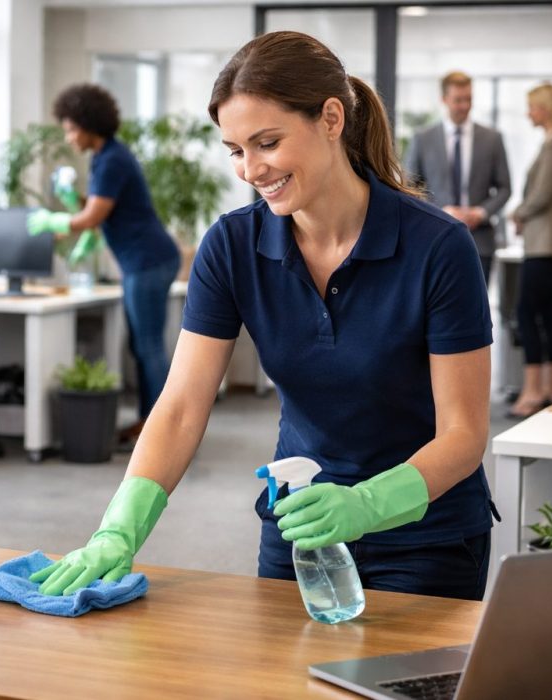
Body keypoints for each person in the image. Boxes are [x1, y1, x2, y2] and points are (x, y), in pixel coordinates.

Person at [31, 31, 496, 602]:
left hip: (428, 535)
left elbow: (464, 433)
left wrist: (368, 504)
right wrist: (117, 529)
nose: (249, 169)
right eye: (234, 149)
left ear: (331, 119)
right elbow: (179, 409)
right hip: (298, 529)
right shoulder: (232, 247)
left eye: (267, 142)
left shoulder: (437, 246)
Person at [27, 84, 181, 444]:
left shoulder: (113, 159)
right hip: (141, 262)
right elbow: (98, 203)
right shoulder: (105, 157)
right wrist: (73, 200)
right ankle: (151, 422)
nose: (68, 137)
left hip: (148, 261)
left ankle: (159, 431)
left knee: (148, 346)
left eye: (70, 129)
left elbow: (94, 215)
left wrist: (55, 221)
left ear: (87, 124)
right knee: (142, 345)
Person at [506, 83, 552, 419]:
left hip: (544, 242)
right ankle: (551, 389)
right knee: (547, 314)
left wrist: (516, 213)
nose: (529, 113)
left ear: (546, 109)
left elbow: (542, 195)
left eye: (533, 107)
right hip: (546, 241)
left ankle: (534, 391)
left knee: (527, 312)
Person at [405, 71, 511, 286]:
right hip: (434, 239)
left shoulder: (492, 139)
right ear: (444, 100)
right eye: (458, 100)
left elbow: (505, 188)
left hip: (480, 241)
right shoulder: (423, 138)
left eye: (468, 99)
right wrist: (440, 211)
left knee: (478, 311)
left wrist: (480, 212)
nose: (464, 106)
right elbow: (409, 188)